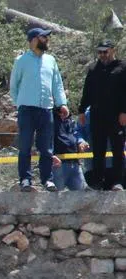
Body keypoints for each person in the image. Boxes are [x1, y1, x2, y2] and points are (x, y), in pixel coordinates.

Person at [10, 27, 69, 192]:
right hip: (27, 110)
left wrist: (62, 103)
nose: (47, 40)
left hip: (46, 110)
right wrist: (20, 104)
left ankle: (47, 180)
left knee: (46, 148)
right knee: (25, 146)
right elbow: (13, 86)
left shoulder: (51, 60)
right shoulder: (21, 61)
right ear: (34, 40)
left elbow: (57, 84)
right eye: (44, 37)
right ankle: (25, 180)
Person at [79, 40, 126, 190]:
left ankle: (118, 181)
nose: (102, 55)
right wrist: (81, 110)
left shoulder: (122, 67)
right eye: (100, 52)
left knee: (117, 149)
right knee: (98, 150)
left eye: (105, 52)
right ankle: (97, 181)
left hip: (116, 116)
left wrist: (124, 112)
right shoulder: (93, 69)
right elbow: (87, 91)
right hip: (97, 115)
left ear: (113, 50)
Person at [53, 106, 89, 191]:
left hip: (75, 164)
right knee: (55, 198)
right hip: (57, 165)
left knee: (82, 197)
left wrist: (80, 142)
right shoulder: (50, 119)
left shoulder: (70, 120)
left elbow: (76, 133)